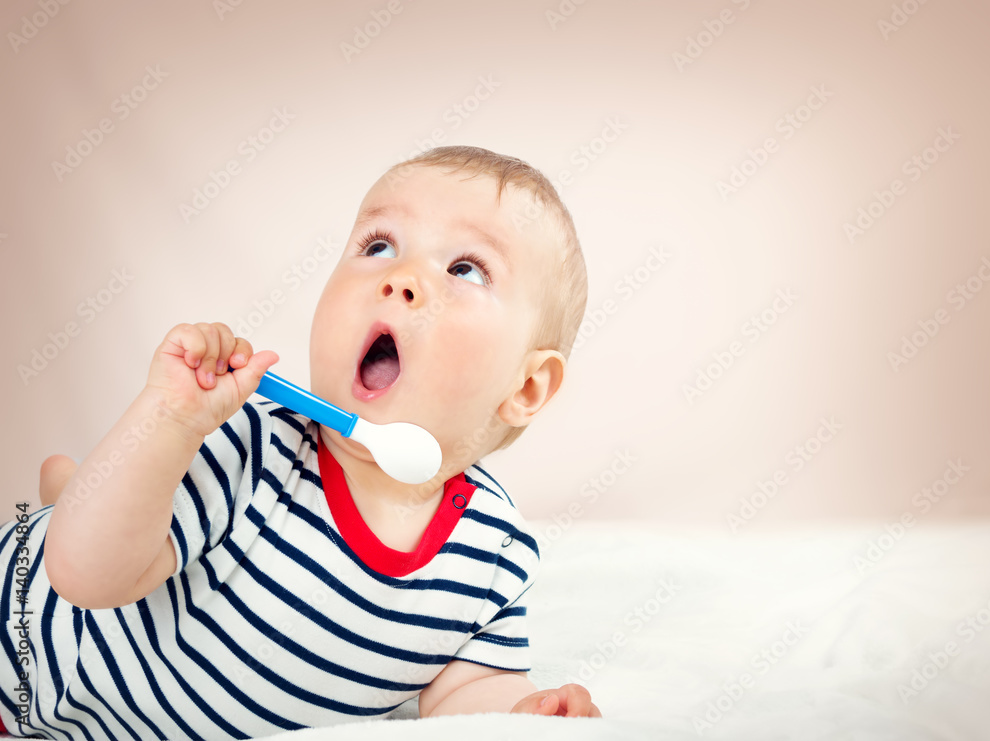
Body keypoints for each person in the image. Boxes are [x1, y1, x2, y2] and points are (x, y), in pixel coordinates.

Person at [0, 146, 599, 738]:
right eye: (379, 245)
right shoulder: (255, 446)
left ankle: (70, 490)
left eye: (465, 268)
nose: (401, 279)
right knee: (95, 516)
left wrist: (524, 715)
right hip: (22, 665)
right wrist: (172, 421)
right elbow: (84, 575)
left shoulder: (493, 552)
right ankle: (70, 500)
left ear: (525, 387)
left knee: (95, 502)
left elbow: (465, 694)